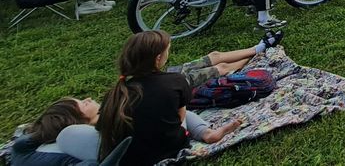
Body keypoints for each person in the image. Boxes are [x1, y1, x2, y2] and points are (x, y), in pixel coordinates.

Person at [96, 31, 245, 165]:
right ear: (158, 58)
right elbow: (181, 119)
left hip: (127, 158)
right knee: (182, 110)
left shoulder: (114, 93)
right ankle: (207, 133)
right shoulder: (175, 81)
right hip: (167, 150)